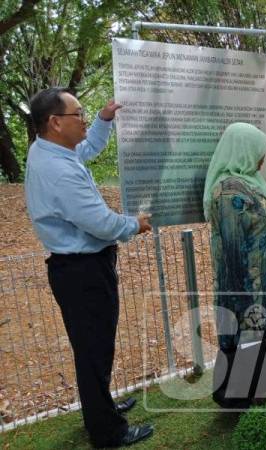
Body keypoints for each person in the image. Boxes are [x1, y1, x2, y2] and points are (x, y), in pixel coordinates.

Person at [24, 88, 153, 447]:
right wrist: (134, 224)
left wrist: (103, 120)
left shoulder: (51, 150)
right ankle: (107, 431)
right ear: (54, 122)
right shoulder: (58, 171)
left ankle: (101, 407)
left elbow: (86, 148)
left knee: (94, 348)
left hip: (78, 269)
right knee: (94, 350)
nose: (83, 119)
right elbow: (99, 222)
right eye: (78, 114)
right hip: (83, 271)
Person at [203, 122, 266, 408]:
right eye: (259, 151)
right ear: (242, 150)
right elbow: (234, 255)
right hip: (247, 288)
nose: (262, 157)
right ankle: (251, 399)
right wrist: (250, 301)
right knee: (252, 340)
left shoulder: (251, 183)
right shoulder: (227, 195)